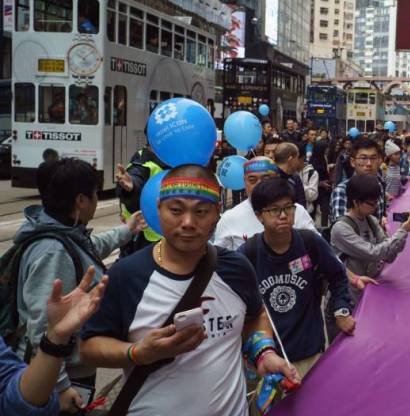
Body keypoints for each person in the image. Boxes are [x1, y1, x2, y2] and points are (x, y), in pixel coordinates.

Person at [80, 165, 299, 415]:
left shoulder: (237, 268)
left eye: (201, 211)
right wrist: (137, 353)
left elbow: (256, 314)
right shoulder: (126, 275)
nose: (188, 222)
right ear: (159, 209)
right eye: (176, 210)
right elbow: (88, 348)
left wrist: (264, 353)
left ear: (217, 212)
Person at [13, 158, 146, 413]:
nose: (97, 201)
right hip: (60, 376)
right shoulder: (54, 252)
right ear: (81, 201)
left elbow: (87, 250)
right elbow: (42, 325)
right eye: (95, 194)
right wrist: (60, 387)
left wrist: (126, 230)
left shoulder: (60, 233)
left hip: (67, 370)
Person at [240, 178, 355, 376]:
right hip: (268, 359)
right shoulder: (247, 254)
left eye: (288, 208)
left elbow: (338, 276)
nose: (283, 215)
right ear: (259, 216)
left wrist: (341, 309)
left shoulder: (310, 242)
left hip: (311, 353)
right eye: (274, 210)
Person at [1, 268, 107, 416]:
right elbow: (38, 326)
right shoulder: (54, 250)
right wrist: (62, 386)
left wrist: (56, 337)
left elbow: (13, 401)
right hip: (68, 377)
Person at [330, 174, 410, 297]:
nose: (376, 206)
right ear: (356, 202)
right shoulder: (341, 228)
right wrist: (402, 231)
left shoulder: (371, 220)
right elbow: (374, 253)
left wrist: (404, 231)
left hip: (369, 290)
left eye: (377, 201)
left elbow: (389, 256)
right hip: (348, 295)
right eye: (371, 203)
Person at [214, 157, 317, 251]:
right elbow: (221, 261)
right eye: (252, 180)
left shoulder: (297, 211)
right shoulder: (229, 218)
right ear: (244, 182)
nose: (260, 185)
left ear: (277, 178)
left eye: (266, 179)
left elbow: (315, 248)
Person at [115, 145, 170, 256]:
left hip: (164, 234)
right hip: (144, 236)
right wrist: (132, 187)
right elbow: (136, 178)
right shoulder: (144, 163)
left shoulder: (173, 160)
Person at [330, 138, 386, 223]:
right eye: (363, 158)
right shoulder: (342, 191)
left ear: (379, 160)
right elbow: (342, 230)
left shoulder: (379, 185)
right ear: (353, 162)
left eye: (373, 158)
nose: (369, 164)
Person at [274, 142, 308, 208]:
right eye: (297, 158)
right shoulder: (270, 177)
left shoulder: (295, 177)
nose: (298, 162)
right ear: (290, 160)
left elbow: (302, 205)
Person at [298, 143, 319, 216]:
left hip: (307, 213)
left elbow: (313, 196)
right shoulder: (288, 173)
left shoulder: (312, 173)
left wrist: (298, 182)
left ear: (302, 158)